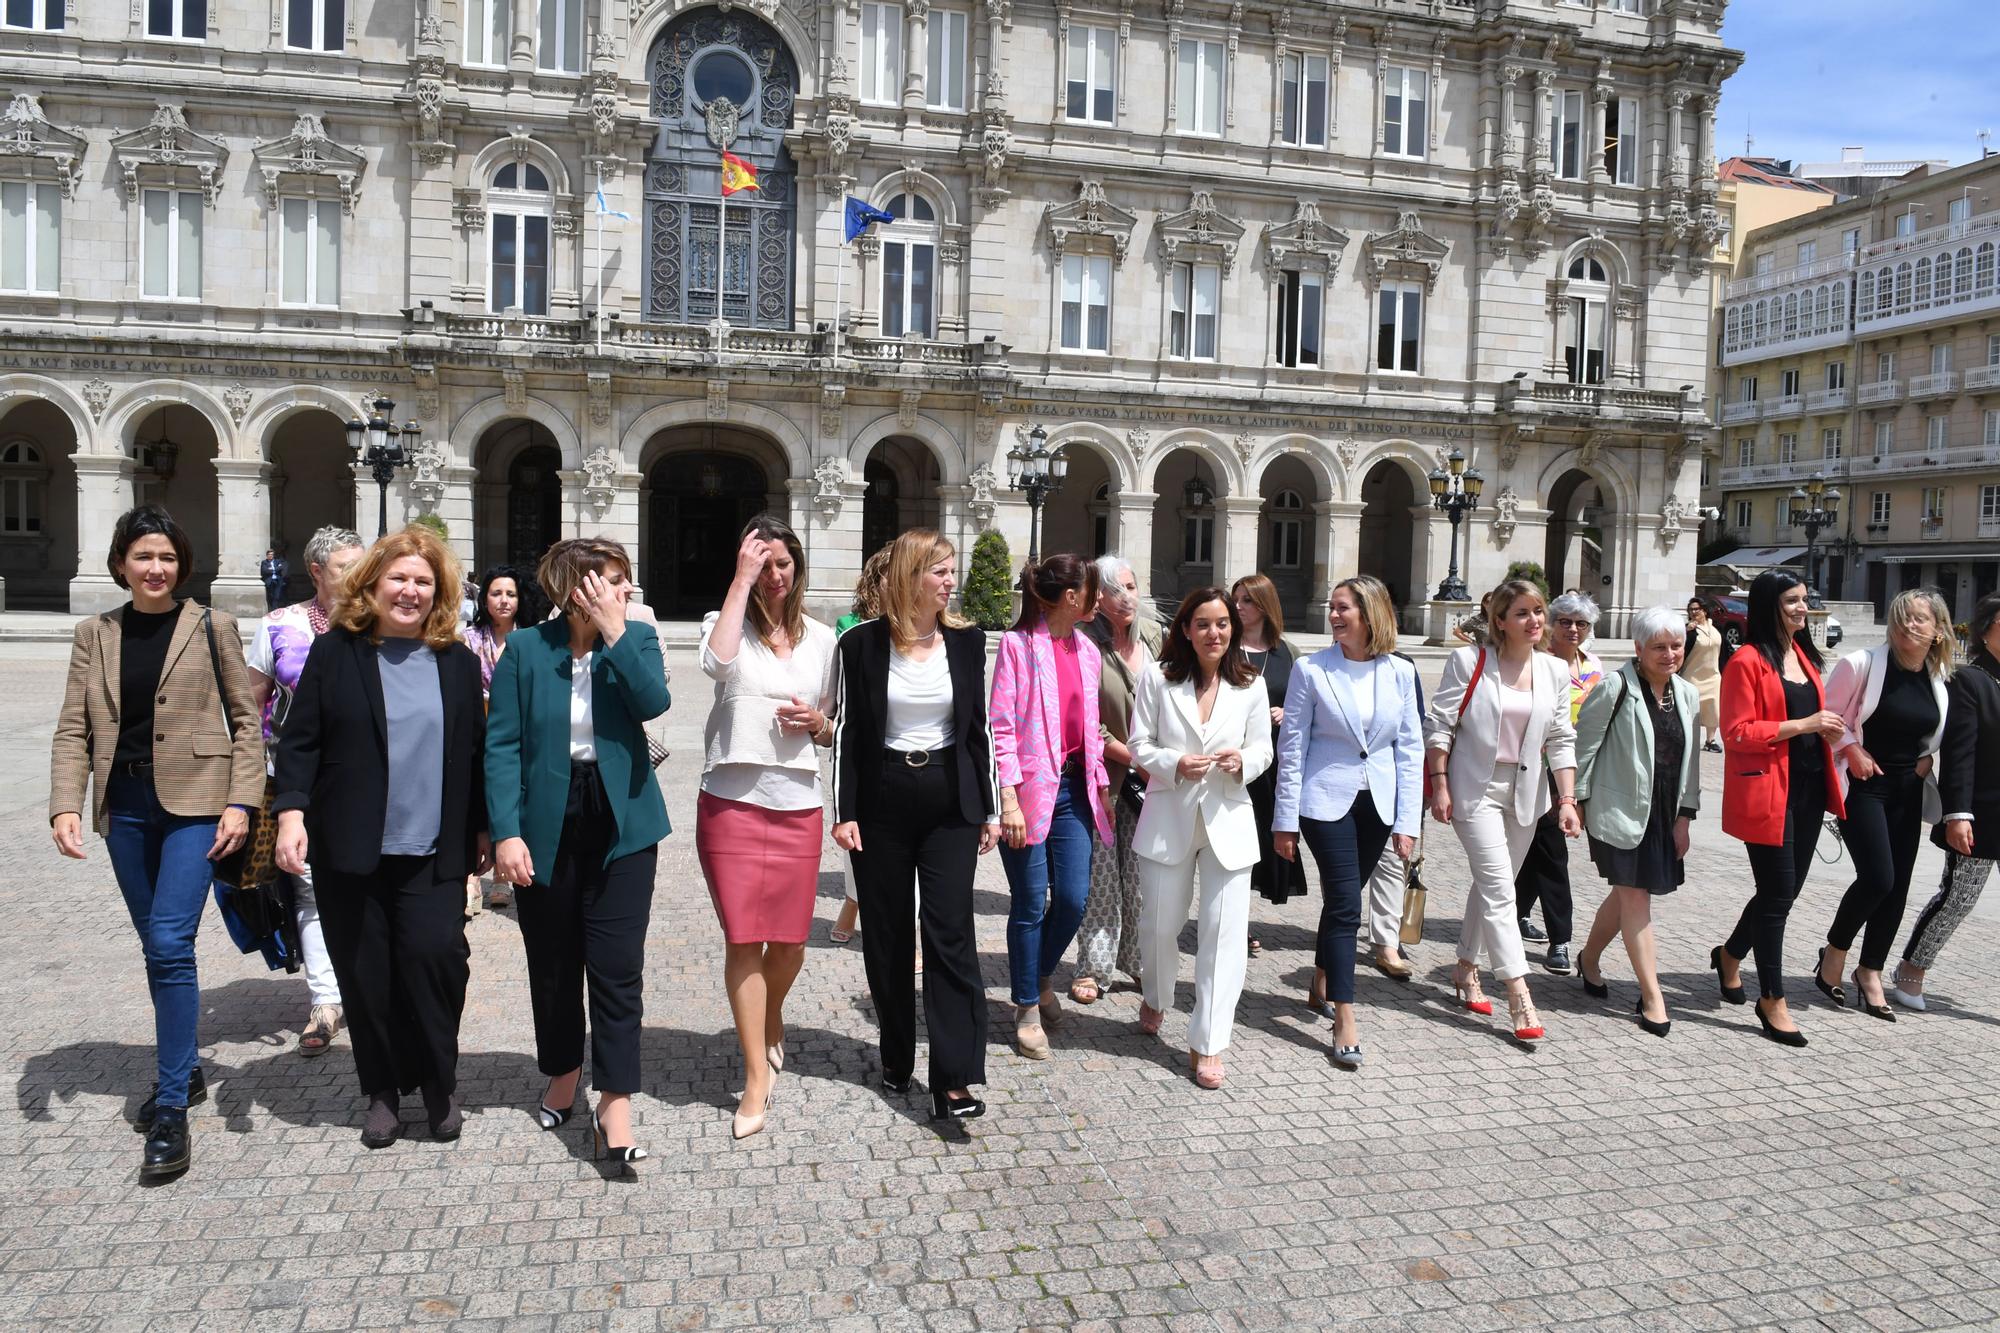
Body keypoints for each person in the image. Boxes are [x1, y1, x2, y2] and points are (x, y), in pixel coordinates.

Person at [49, 505, 263, 1181]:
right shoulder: (96, 632)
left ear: (182, 565)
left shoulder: (210, 625)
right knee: (157, 943)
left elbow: (246, 721)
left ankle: (171, 1104)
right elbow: (71, 727)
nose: (155, 567)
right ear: (120, 562)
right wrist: (64, 804)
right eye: (143, 555)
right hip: (127, 807)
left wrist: (241, 800)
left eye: (166, 557)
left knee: (170, 942)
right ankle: (188, 1066)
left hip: (197, 804)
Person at [273, 526, 490, 1148]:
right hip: (350, 847)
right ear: (372, 582)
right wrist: (291, 814)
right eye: (398, 577)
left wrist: (481, 826)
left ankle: (437, 1082)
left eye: (423, 581)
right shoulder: (337, 651)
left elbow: (472, 754)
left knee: (435, 962)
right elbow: (301, 740)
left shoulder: (456, 661)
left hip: (434, 849)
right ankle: (382, 1092)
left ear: (440, 591)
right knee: (366, 975)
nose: (410, 590)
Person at [486, 538, 669, 1170]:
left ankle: (614, 1098)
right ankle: (563, 1070)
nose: (624, 590)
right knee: (555, 963)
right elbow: (502, 746)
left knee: (617, 966)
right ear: (574, 590)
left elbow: (654, 703)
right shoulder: (526, 650)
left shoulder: (637, 641)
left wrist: (618, 633)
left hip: (622, 823)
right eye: (611, 581)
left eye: (625, 580)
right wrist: (506, 831)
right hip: (546, 822)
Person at [830, 529, 998, 1120]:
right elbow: (847, 732)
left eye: (952, 571)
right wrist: (843, 812)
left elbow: (980, 731)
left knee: (950, 933)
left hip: (950, 800)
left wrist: (991, 809)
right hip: (882, 799)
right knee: (888, 934)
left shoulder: (969, 642)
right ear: (910, 576)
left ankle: (953, 1077)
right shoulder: (860, 645)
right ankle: (897, 1052)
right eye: (940, 572)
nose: (951, 582)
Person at [696, 516, 838, 1141]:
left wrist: (818, 722)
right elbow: (716, 663)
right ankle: (755, 1074)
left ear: (798, 568)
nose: (774, 575)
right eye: (762, 563)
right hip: (730, 799)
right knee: (743, 939)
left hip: (797, 802)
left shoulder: (825, 641)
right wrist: (739, 581)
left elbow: (837, 723)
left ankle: (769, 1013)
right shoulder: (725, 621)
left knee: (790, 943)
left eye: (782, 563)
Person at [1271, 575, 1422, 1068]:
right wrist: (1284, 820)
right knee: (1344, 902)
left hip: (1378, 803)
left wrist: (1407, 822)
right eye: (1333, 608)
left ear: (1369, 613)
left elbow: (1409, 751)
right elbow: (1292, 748)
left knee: (1343, 901)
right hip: (1323, 801)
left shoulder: (1400, 671)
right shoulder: (1311, 670)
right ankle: (1346, 1014)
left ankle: (1320, 979)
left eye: (1343, 608)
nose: (1334, 616)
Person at [1425, 578, 1580, 1044]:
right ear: (1500, 621)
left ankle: (1465, 968)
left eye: (1538, 611)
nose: (1535, 621)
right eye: (1523, 614)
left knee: (1494, 885)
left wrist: (1567, 800)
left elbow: (1560, 738)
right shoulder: (1469, 661)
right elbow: (1440, 727)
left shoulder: (1553, 669)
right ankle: (1518, 992)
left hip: (1528, 793)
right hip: (1475, 790)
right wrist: (1439, 784)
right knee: (1500, 890)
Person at [1128, 588, 1271, 1089]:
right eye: (1204, 624)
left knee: (1223, 936)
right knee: (1160, 926)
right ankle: (1156, 993)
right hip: (1169, 815)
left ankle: (1208, 1042)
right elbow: (1139, 743)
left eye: (1224, 623)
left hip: (1229, 820)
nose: (1215, 633)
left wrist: (1243, 763)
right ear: (1186, 629)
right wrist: (1173, 764)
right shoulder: (1157, 678)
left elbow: (1263, 750)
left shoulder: (1251, 683)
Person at [1710, 569, 1846, 1047]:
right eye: (1792, 601)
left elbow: (1810, 721)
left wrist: (1825, 730)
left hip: (1808, 789)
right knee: (1778, 893)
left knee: (1780, 893)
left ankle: (1730, 955)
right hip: (1767, 791)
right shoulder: (1745, 660)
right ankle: (1772, 997)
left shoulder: (1805, 655)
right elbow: (1737, 732)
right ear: (1770, 605)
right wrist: (1802, 723)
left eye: (1805, 600)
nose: (1802, 608)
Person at [247, 524, 365, 1058]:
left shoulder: (378, 624)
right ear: (317, 571)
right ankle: (326, 999)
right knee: (309, 891)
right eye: (346, 568)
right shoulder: (280, 627)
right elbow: (251, 710)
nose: (358, 578)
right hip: (294, 782)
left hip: (363, 783)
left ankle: (368, 984)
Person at [991, 554, 1112, 1060]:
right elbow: (999, 727)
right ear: (1070, 597)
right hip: (1029, 795)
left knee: (1072, 899)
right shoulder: (1017, 647)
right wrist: (1009, 800)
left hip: (1074, 793)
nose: (1099, 598)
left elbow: (1090, 728)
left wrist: (1101, 780)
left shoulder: (1087, 650)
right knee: (1028, 902)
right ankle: (1026, 1005)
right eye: (1093, 590)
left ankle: (1039, 978)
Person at [1813, 589, 1953, 1020]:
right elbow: (1828, 720)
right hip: (1864, 787)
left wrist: (1929, 758)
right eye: (1902, 617)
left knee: (1898, 887)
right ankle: (1835, 951)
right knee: (1878, 877)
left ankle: (1870, 970)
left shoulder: (1940, 675)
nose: (1909, 626)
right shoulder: (1862, 664)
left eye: (1920, 620)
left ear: (1937, 630)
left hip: (1907, 792)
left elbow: (1937, 733)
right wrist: (1853, 749)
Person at [1572, 606, 1704, 1037]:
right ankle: (1653, 997)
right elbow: (1582, 749)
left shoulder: (1685, 692)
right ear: (1638, 649)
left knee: (1629, 893)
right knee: (1635, 898)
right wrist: (1572, 802)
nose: (1669, 654)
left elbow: (1692, 763)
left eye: (1676, 645)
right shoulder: (1615, 687)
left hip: (1663, 812)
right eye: (1659, 647)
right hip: (1618, 809)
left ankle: (1588, 958)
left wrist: (1685, 816)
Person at [1896, 591, 2000, 1010]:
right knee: (1957, 898)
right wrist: (1958, 813)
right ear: (1989, 629)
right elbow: (1961, 753)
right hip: (1983, 813)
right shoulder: (1971, 680)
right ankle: (1912, 969)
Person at [1073, 555, 1161, 1002]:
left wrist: (1159, 758)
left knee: (1145, 877)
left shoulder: (1154, 637)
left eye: (1131, 585)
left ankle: (1141, 961)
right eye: (1116, 589)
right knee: (1102, 877)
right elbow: (1087, 717)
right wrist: (1134, 756)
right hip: (1106, 775)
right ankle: (1093, 967)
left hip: (1152, 779)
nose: (1127, 597)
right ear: (1098, 597)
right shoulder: (1085, 642)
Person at [1512, 592, 1602, 975]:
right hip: (1537, 767)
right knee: (1550, 853)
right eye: (1565, 621)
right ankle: (1560, 939)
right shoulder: (1538, 663)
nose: (1574, 629)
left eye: (1582, 623)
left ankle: (1515, 914)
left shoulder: (1592, 666)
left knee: (1539, 850)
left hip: (1574, 767)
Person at [1231, 573, 1306, 955]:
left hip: (1271, 764)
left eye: (1248, 600)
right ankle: (1234, 925)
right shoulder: (1225, 646)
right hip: (1232, 762)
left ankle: (1238, 919)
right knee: (1233, 846)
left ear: (1264, 606)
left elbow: (1303, 705)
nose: (1240, 606)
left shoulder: (1285, 653)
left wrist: (1286, 713)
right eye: (1237, 599)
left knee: (1260, 843)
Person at [463, 564, 543, 915]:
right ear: (485, 598)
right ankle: (469, 878)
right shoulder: (468, 639)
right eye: (496, 593)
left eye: (510, 593)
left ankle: (500, 876)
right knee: (473, 798)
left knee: (506, 795)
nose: (504, 600)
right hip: (475, 729)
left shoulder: (533, 637)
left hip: (517, 731)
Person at [830, 545, 893, 948]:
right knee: (859, 838)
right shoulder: (850, 627)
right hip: (863, 752)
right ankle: (854, 901)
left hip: (910, 757)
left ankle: (909, 935)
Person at [1682, 595, 1725, 752]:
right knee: (1691, 710)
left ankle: (1710, 740)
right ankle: (1689, 738)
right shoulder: (1688, 630)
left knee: (1713, 709)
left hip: (1713, 676)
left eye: (1696, 609)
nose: (1693, 612)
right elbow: (1679, 648)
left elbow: (1725, 650)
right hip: (1692, 676)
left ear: (1705, 611)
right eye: (1691, 610)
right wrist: (1686, 631)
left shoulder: (1715, 628)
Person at [261, 547, 290, 611]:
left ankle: (274, 608)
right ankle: (271, 607)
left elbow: (281, 568)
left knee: (277, 595)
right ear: (267, 555)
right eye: (269, 554)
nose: (271, 556)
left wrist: (272, 569)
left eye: (272, 554)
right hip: (270, 580)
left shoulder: (278, 561)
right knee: (270, 595)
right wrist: (276, 569)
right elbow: (264, 570)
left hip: (278, 580)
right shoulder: (264, 562)